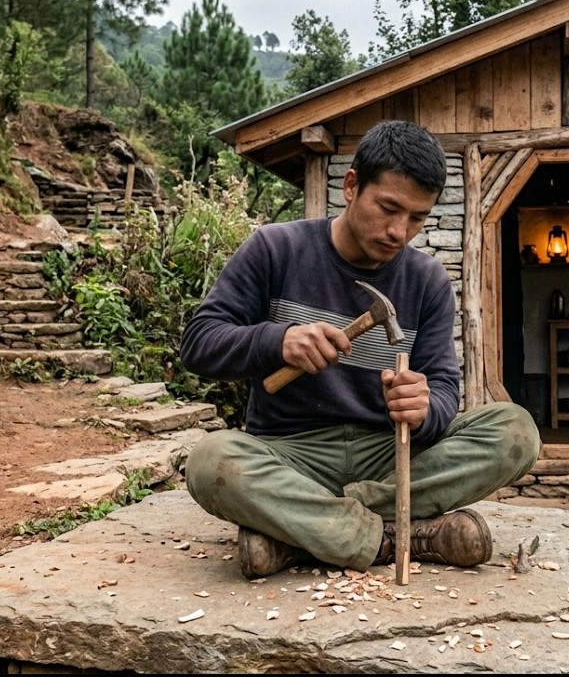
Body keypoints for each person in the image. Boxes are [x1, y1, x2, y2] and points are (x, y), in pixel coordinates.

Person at [179, 119, 541, 579]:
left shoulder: (426, 281)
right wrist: (278, 340)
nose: (398, 230)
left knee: (515, 431)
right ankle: (401, 535)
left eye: (417, 218)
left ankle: (312, 531)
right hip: (290, 455)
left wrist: (423, 406)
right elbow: (198, 343)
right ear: (351, 186)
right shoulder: (275, 249)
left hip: (389, 455)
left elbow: (446, 389)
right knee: (211, 462)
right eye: (388, 208)